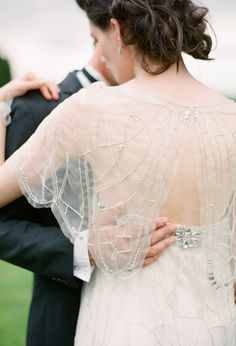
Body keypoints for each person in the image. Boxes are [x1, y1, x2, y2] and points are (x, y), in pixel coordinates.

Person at [1, 0, 235, 344]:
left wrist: (1, 105)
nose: (100, 56)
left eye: (98, 41)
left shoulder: (90, 108)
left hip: (123, 320)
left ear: (117, 29)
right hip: (213, 322)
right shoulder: (231, 119)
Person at [0, 45, 176, 345]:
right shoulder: (37, 108)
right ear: (117, 29)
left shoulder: (169, 113)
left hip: (151, 317)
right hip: (64, 318)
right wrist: (85, 251)